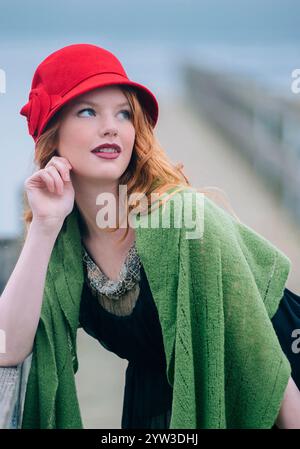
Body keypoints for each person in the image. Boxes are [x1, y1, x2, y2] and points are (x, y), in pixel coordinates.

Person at [0, 43, 299, 429]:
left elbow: (265, 363)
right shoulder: (62, 241)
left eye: (124, 113)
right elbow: (8, 345)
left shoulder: (184, 222)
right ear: (52, 135)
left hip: (270, 378)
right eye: (88, 111)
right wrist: (43, 225)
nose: (111, 126)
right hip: (159, 397)